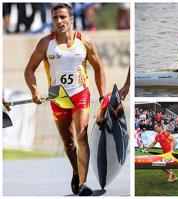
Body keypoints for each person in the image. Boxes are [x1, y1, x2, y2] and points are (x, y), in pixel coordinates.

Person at [24, 4, 106, 196]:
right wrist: (34, 90)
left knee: (82, 135)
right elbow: (29, 69)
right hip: (57, 95)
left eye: (62, 17)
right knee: (68, 143)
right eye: (55, 18)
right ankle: (76, 173)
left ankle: (84, 184)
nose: (59, 22)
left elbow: (99, 68)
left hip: (80, 93)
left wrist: (102, 96)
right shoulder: (45, 43)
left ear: (71, 19)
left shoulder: (84, 41)